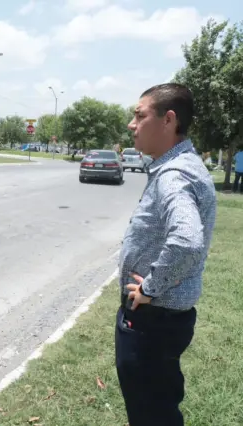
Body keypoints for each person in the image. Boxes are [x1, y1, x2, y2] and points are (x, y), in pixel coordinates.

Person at [117, 83, 216, 426]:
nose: (132, 124)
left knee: (150, 414)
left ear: (168, 120)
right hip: (161, 322)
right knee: (157, 407)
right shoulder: (181, 165)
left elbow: (187, 241)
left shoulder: (174, 175)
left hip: (152, 322)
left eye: (139, 115)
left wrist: (149, 288)